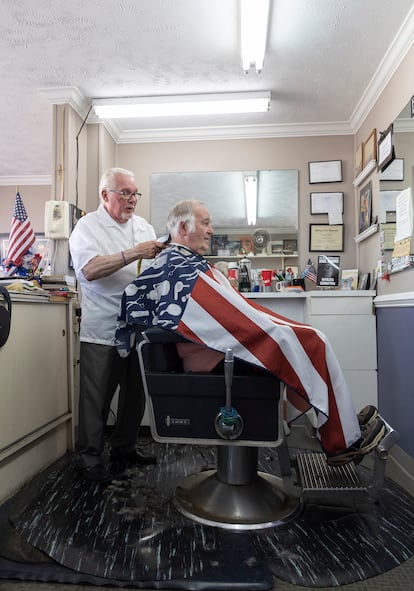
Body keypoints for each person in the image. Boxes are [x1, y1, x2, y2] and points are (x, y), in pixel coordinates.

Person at [116, 200, 385, 466]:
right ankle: (341, 440)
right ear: (184, 228)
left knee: (303, 338)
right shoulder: (179, 266)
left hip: (211, 350)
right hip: (208, 356)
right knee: (312, 341)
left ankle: (337, 425)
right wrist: (274, 330)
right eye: (206, 223)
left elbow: (225, 314)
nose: (211, 230)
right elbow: (222, 318)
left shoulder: (182, 263)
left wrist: (274, 328)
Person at [69, 167, 167, 482]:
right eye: (124, 193)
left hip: (139, 325)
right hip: (104, 327)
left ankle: (124, 448)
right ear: (105, 195)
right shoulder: (87, 227)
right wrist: (134, 252)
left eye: (135, 193)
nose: (132, 200)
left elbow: (155, 270)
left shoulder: (143, 226)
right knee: (97, 396)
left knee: (135, 393)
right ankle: (89, 457)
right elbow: (89, 270)